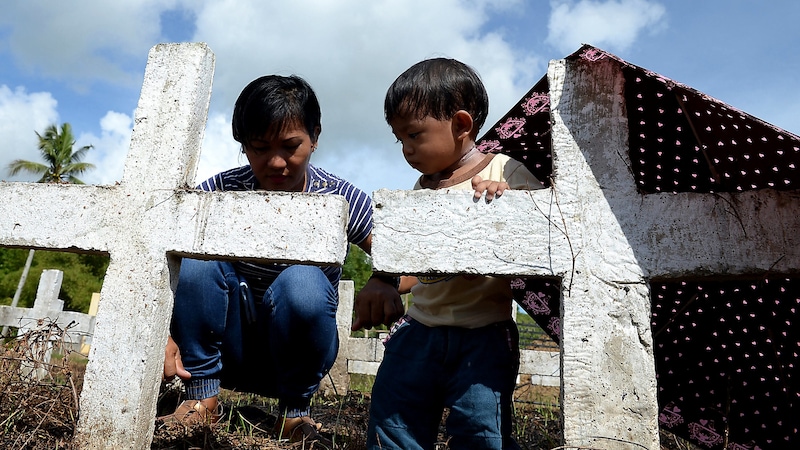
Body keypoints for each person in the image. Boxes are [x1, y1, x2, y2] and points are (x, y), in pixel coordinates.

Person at [159, 74, 404, 447]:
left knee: (302, 282)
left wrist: (385, 279)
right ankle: (202, 398)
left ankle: (294, 414)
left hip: (297, 354)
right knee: (197, 256)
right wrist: (160, 332)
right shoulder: (221, 191)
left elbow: (406, 256)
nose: (276, 162)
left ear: (315, 136)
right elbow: (158, 251)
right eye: (258, 148)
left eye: (291, 146)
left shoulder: (338, 197)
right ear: (242, 145)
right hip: (226, 349)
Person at [355, 58, 545, 450]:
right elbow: (418, 269)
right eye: (399, 140)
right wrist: (386, 280)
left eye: (414, 135)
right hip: (420, 328)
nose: (406, 150)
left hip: (484, 335)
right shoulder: (421, 189)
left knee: (480, 431)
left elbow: (543, 228)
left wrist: (510, 204)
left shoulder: (505, 171)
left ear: (461, 125)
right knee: (394, 422)